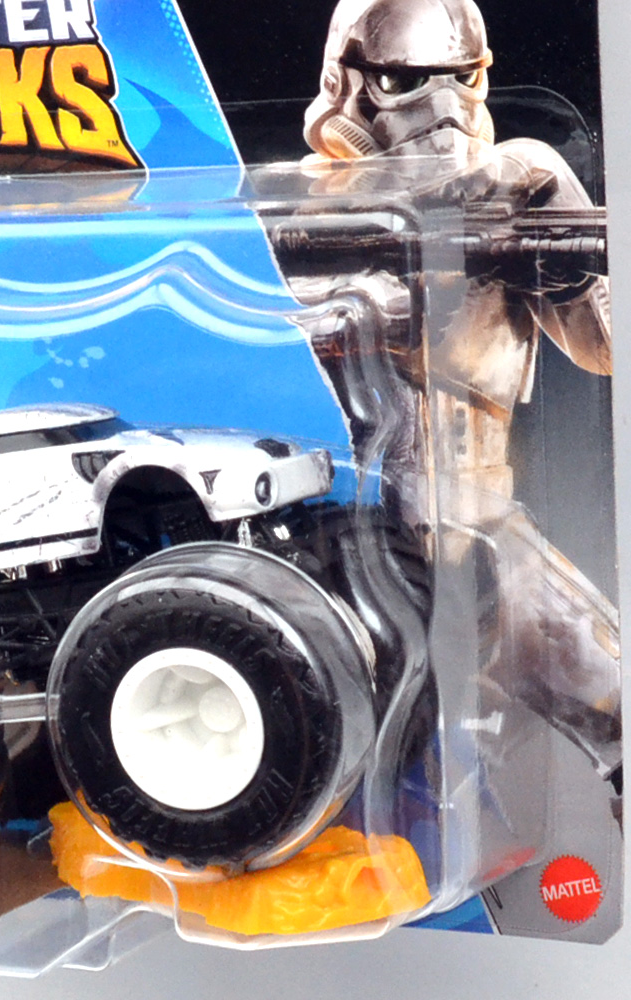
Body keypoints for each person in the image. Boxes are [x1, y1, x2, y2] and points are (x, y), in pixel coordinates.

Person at [257, 0, 620, 796]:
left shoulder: (512, 193)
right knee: (325, 762)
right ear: (350, 81)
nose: (444, 108)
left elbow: (606, 352)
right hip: (342, 545)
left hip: (479, 529)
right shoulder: (296, 210)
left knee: (616, 710)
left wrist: (557, 236)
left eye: (464, 79)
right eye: (408, 81)